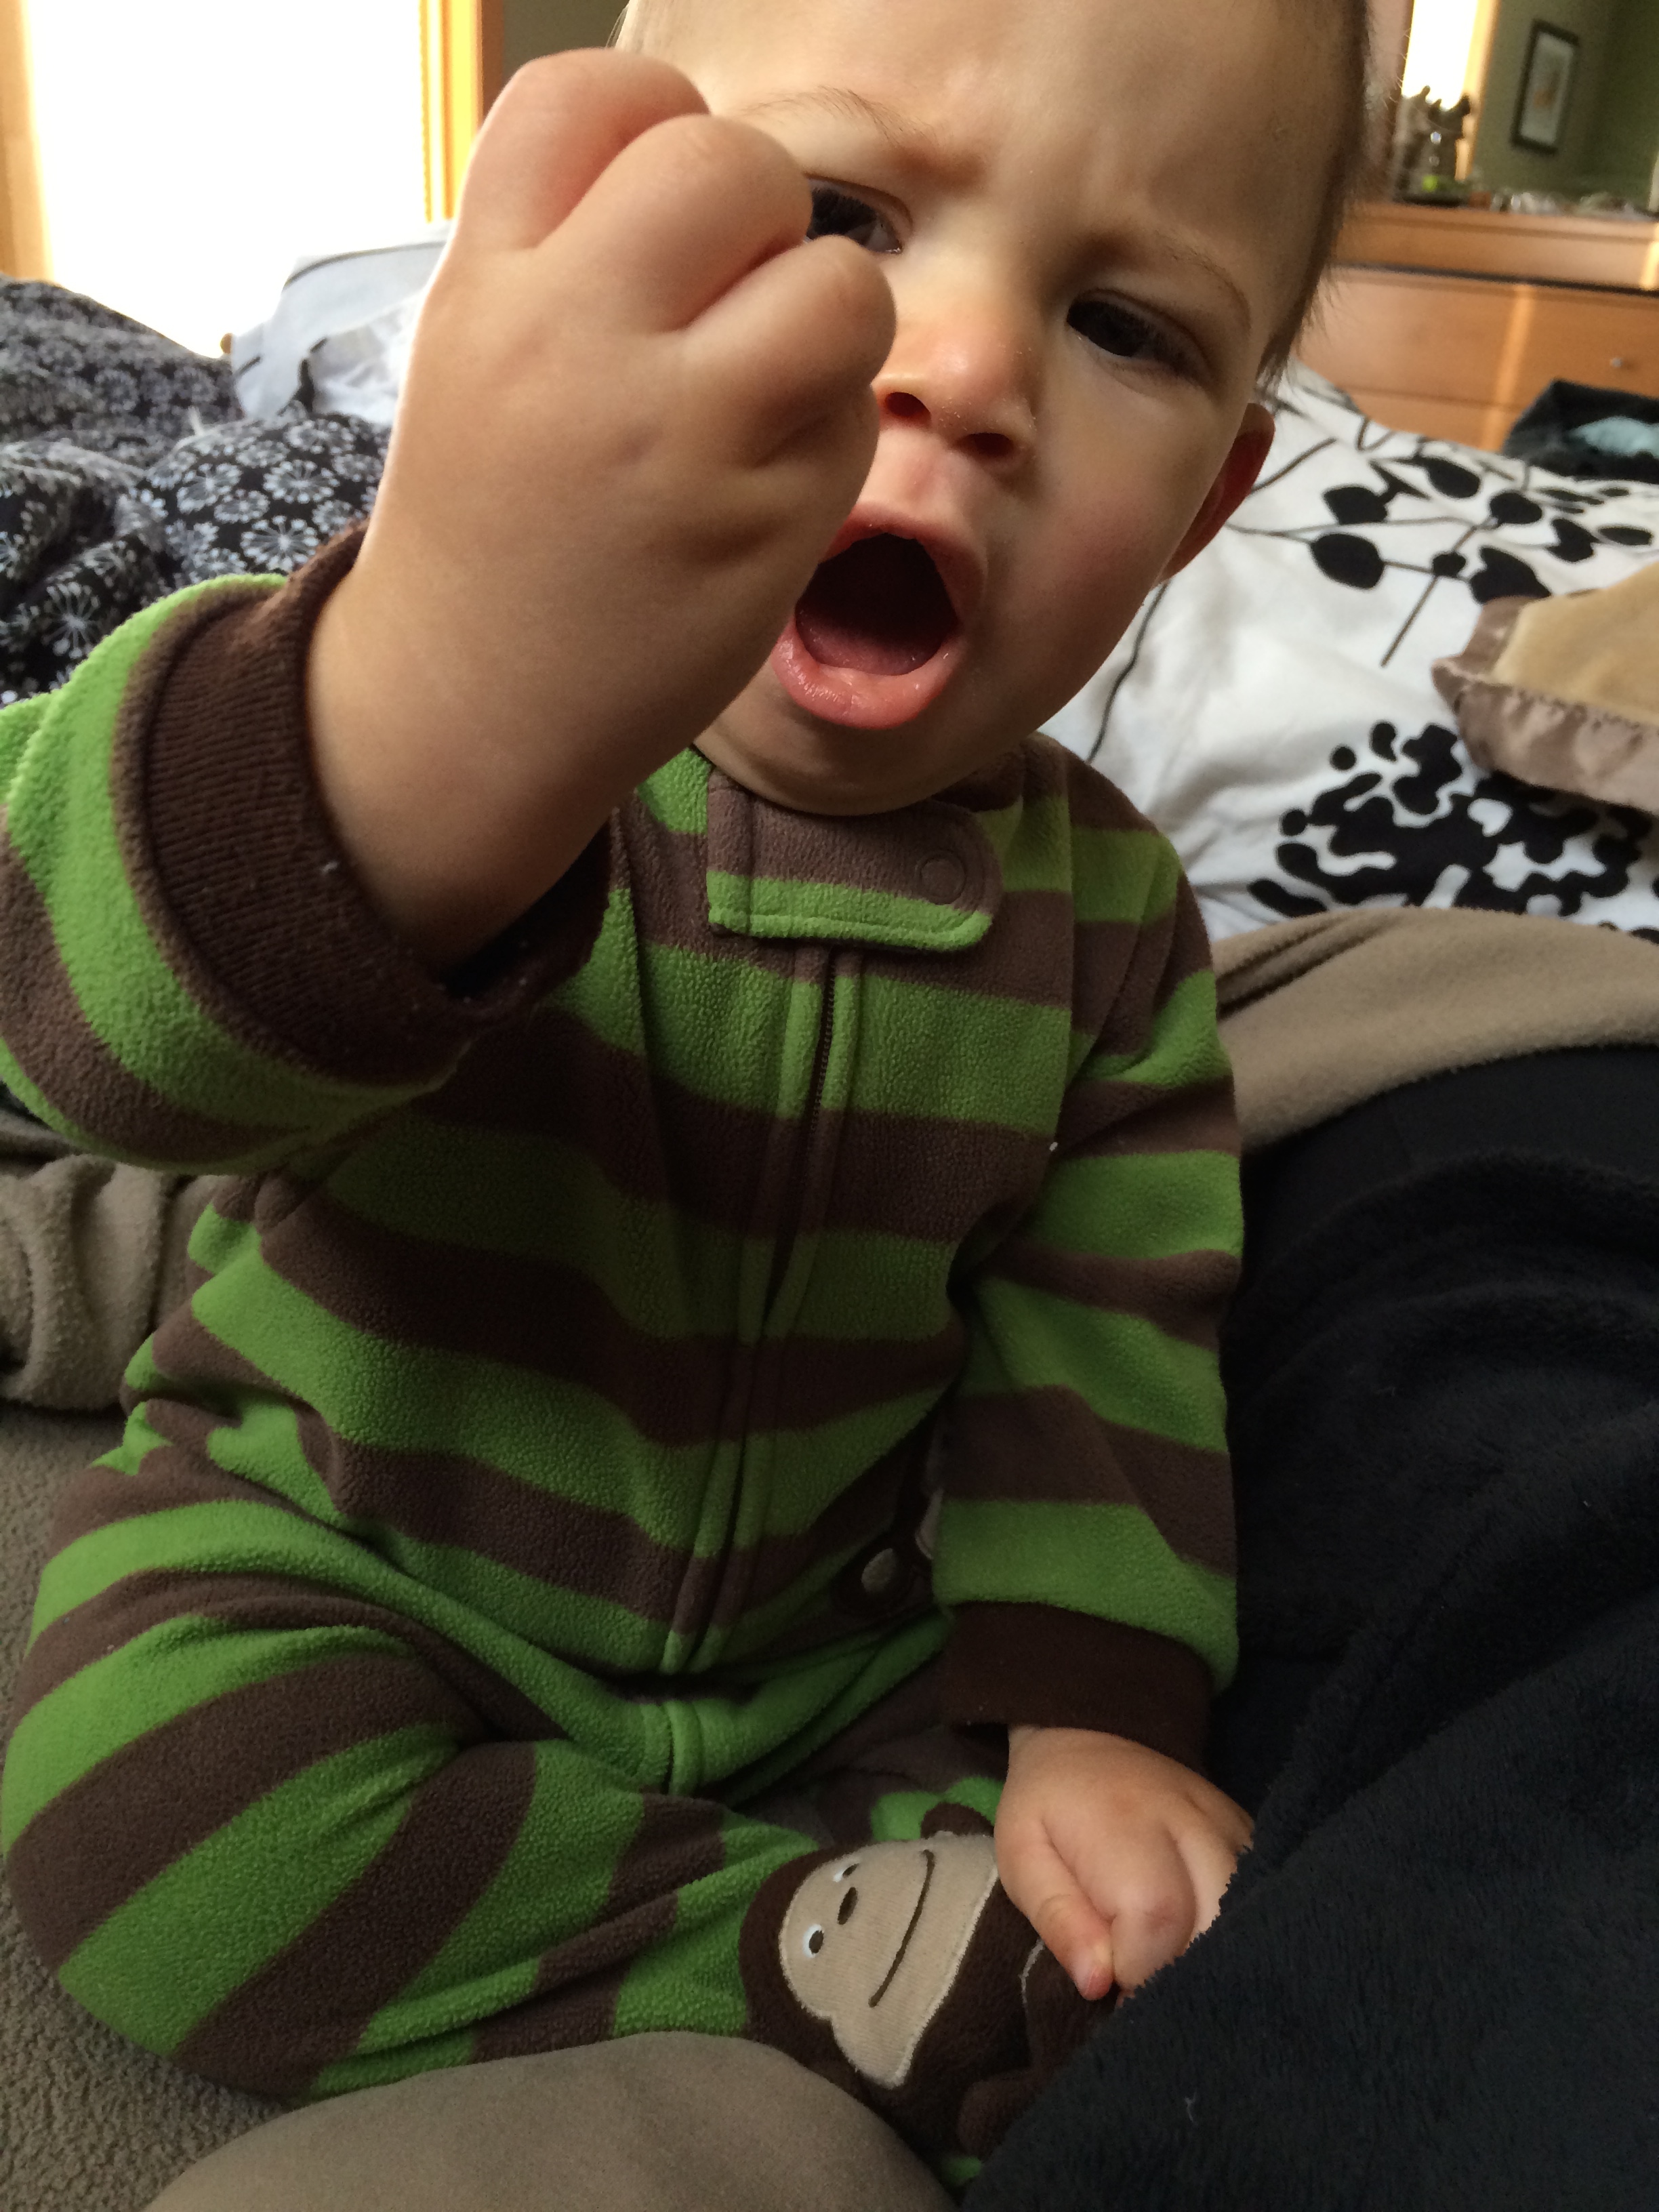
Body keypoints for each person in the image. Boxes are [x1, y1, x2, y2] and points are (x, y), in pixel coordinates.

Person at [0, 0, 1369, 2179]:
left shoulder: (1111, 926)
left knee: (1131, 1919)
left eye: (1123, 325)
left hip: (832, 1654)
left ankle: (848, 1944)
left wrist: (1089, 1718)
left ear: (1207, 503)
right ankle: (779, 1965)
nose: (964, 369)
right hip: (347, 1556)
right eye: (839, 218)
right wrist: (410, 722)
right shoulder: (422, 713)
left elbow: (1102, 1352)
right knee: (145, 1813)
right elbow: (65, 990)